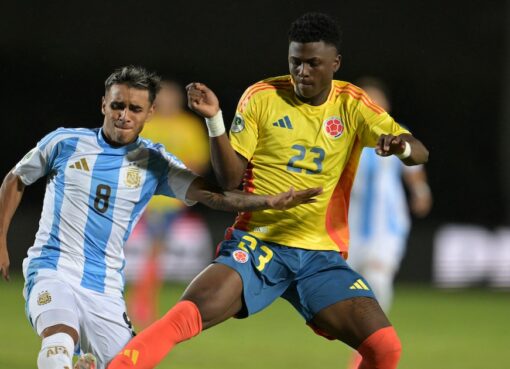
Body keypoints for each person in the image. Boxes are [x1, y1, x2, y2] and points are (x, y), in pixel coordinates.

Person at [107, 13, 429, 369]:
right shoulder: (262, 97)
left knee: (385, 348)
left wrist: (400, 146)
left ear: (334, 64)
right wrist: (215, 121)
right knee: (186, 315)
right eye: (296, 62)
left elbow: (419, 152)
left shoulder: (352, 105)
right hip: (257, 242)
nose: (302, 72)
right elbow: (230, 181)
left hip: (319, 256)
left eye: (312, 63)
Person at [0, 66, 321, 369]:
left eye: (135, 109)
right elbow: (15, 179)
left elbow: (212, 194)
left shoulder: (153, 161)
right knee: (58, 341)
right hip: (53, 269)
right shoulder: (65, 142)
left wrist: (270, 202)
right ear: (103, 105)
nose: (124, 115)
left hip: (105, 288)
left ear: (149, 113)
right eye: (118, 105)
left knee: (127, 362)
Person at [345, 77, 432, 369]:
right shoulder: (344, 135)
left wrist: (421, 191)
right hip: (351, 225)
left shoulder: (396, 134)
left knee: (378, 278)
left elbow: (414, 167)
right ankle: (363, 338)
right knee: (349, 288)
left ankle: (369, 346)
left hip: (388, 225)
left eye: (375, 101)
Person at [127, 80, 210, 328]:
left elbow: (198, 162)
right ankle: (140, 301)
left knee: (155, 251)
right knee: (153, 251)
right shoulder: (147, 125)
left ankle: (141, 301)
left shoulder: (188, 126)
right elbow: (133, 158)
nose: (166, 103)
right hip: (147, 200)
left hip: (172, 201)